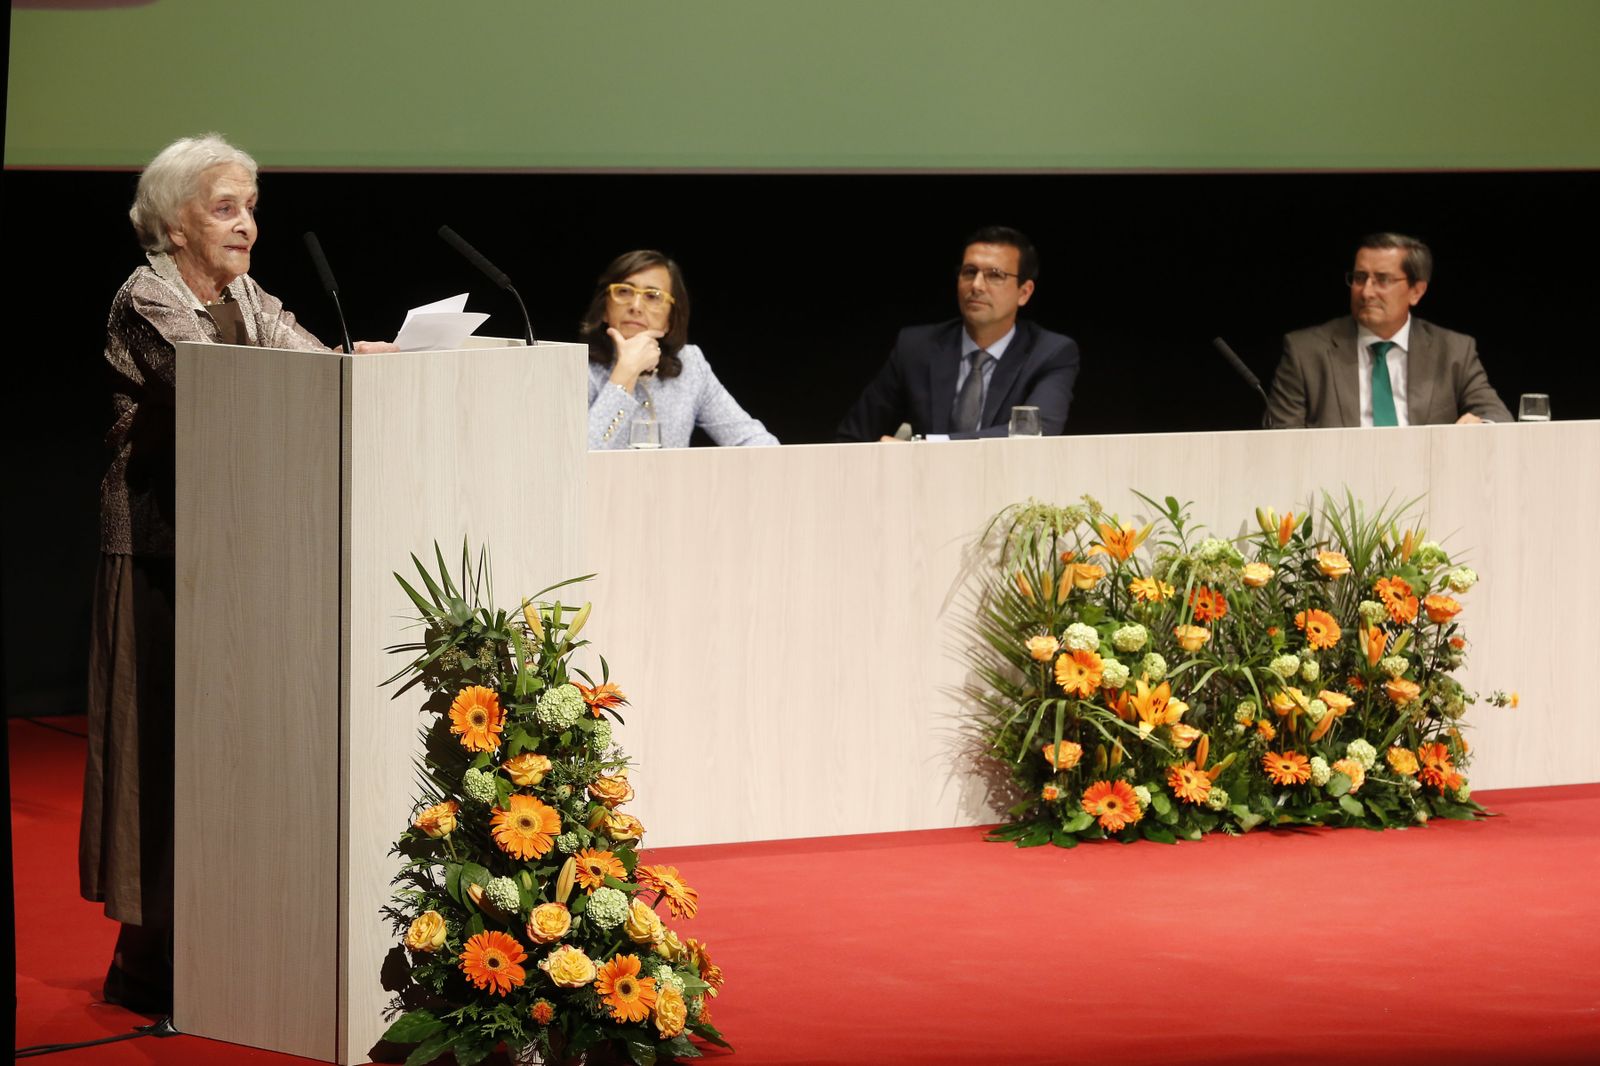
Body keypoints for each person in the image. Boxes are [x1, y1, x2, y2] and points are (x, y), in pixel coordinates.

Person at [82, 133, 391, 1013]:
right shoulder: (147, 298)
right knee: (160, 757)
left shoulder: (246, 294)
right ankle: (145, 964)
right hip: (155, 553)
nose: (247, 226)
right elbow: (224, 386)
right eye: (225, 208)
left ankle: (229, 936)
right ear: (172, 222)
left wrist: (360, 366)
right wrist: (322, 372)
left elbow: (304, 361)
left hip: (240, 558)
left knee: (227, 755)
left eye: (252, 208)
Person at [835, 226, 1080, 441]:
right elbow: (853, 437)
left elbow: (1034, 434)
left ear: (1024, 292)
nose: (976, 285)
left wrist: (925, 447)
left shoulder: (1050, 353)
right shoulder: (916, 347)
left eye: (995, 275)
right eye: (969, 272)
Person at [1265, 232, 1511, 428]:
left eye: (1382, 280)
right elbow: (1282, 439)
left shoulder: (1454, 350)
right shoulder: (1305, 352)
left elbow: (1496, 415)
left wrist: (1481, 426)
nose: (1367, 292)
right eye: (1360, 278)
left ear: (1417, 291)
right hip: (1337, 487)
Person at [582, 250, 778, 448]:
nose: (636, 306)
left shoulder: (690, 365)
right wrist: (625, 373)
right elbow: (574, 461)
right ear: (604, 310)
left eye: (652, 296)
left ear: (671, 319)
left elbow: (751, 440)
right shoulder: (579, 368)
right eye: (624, 291)